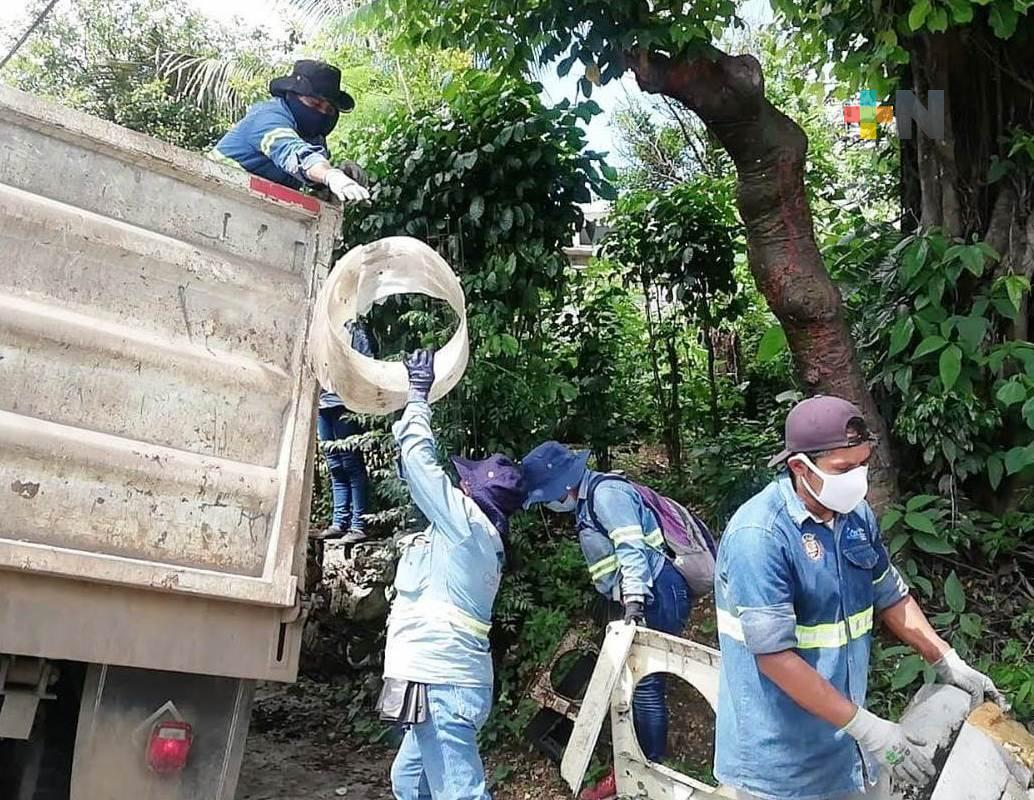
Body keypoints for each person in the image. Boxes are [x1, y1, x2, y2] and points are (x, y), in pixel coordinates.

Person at [714, 395, 1008, 800]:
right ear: (800, 467)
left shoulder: (855, 516)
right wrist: (871, 729)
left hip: (845, 747)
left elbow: (889, 594)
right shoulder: (760, 537)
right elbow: (775, 659)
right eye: (844, 469)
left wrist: (945, 659)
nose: (858, 479)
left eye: (863, 464)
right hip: (781, 761)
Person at [382, 350, 527, 800]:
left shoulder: (465, 525)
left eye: (465, 482)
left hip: (442, 682)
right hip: (444, 679)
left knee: (459, 794)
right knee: (409, 781)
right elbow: (413, 471)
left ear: (472, 494)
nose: (457, 483)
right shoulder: (473, 536)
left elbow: (420, 466)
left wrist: (419, 398)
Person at [521, 442, 693, 800]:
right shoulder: (586, 502)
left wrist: (632, 604)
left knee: (645, 685)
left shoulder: (607, 495)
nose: (549, 506)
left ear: (561, 486)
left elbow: (632, 551)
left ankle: (649, 770)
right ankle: (636, 769)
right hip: (640, 595)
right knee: (633, 684)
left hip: (655, 594)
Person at [208, 59, 370, 204]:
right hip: (211, 190)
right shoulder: (268, 118)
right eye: (314, 104)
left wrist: (341, 177)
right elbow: (293, 152)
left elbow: (312, 171)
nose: (321, 113)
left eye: (328, 110)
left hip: (254, 208)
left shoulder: (313, 138)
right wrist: (331, 176)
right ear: (291, 96)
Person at [314, 321, 376, 542]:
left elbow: (366, 361)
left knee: (351, 463)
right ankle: (339, 521)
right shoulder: (319, 327)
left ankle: (358, 524)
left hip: (345, 404)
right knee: (334, 465)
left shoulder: (353, 327)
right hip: (323, 404)